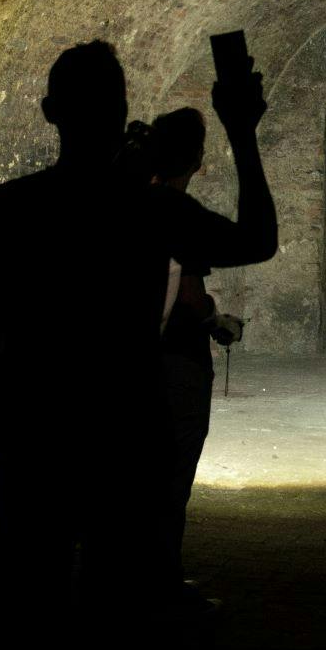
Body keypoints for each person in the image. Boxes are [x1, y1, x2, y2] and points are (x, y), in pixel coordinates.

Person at [0, 40, 276, 650]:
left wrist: (2, 415)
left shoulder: (7, 208)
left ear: (50, 112)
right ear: (123, 113)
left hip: (37, 441)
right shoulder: (148, 211)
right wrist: (241, 130)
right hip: (127, 438)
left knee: (28, 614)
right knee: (116, 625)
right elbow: (258, 240)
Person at [142, 107, 244, 609]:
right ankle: (161, 584)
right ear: (197, 160)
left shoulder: (122, 204)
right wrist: (219, 321)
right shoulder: (177, 214)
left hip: (126, 362)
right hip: (177, 361)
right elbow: (189, 294)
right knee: (172, 474)